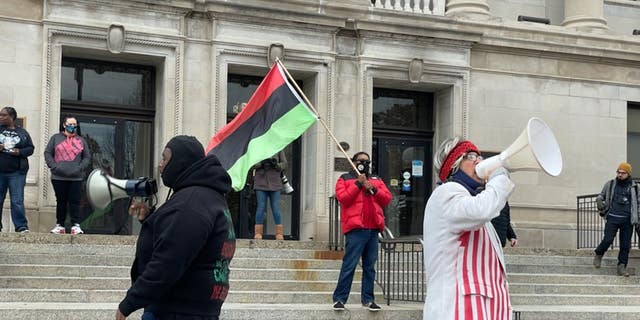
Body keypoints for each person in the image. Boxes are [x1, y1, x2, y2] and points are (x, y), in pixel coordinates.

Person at [116, 135, 236, 320]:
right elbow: (185, 239)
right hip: (194, 308)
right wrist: (149, 218)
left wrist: (129, 304)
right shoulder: (206, 197)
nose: (160, 165)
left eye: (165, 158)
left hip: (176, 311)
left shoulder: (190, 202)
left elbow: (168, 261)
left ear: (180, 162)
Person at [423, 137, 514, 320]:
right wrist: (499, 177)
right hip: (457, 309)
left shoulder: (466, 199)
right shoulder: (446, 193)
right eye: (471, 156)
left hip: (478, 309)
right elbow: (482, 210)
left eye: (479, 155)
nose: (479, 161)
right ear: (454, 164)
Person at [332, 151, 392, 312]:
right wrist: (358, 184)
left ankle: (368, 299)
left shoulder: (376, 179)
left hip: (373, 228)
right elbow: (343, 198)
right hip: (356, 229)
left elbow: (386, 198)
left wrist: (372, 188)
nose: (364, 164)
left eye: (367, 161)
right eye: (360, 161)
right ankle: (339, 298)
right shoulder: (344, 178)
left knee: (369, 267)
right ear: (353, 162)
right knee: (349, 265)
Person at [44, 115, 91, 234]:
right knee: (61, 201)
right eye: (70, 124)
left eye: (74, 125)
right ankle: (60, 225)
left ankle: (76, 225)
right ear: (64, 125)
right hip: (58, 176)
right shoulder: (55, 138)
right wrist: (54, 167)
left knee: (75, 201)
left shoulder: (81, 140)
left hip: (76, 177)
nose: (72, 127)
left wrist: (80, 168)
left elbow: (87, 157)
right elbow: (48, 153)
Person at [593, 162, 639, 277]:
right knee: (608, 239)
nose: (619, 175)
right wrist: (599, 201)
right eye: (618, 172)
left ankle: (621, 266)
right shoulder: (611, 184)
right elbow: (601, 195)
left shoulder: (635, 187)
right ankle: (599, 253)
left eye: (622, 173)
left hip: (628, 220)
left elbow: (638, 203)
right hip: (612, 217)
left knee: (625, 245)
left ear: (628, 174)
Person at [0, 106, 34, 233]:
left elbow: (30, 148)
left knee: (17, 200)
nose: (1, 117)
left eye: (4, 115)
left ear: (12, 117)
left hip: (17, 172)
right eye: (0, 115)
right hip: (0, 171)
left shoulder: (22, 132)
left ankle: (21, 226)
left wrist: (19, 152)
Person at [252, 150, 287, 240]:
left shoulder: (279, 147)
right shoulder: (258, 145)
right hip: (260, 181)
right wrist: (261, 163)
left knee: (276, 207)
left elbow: (284, 164)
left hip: (275, 181)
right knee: (261, 207)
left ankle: (279, 233)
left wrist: (276, 165)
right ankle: (258, 233)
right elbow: (251, 164)